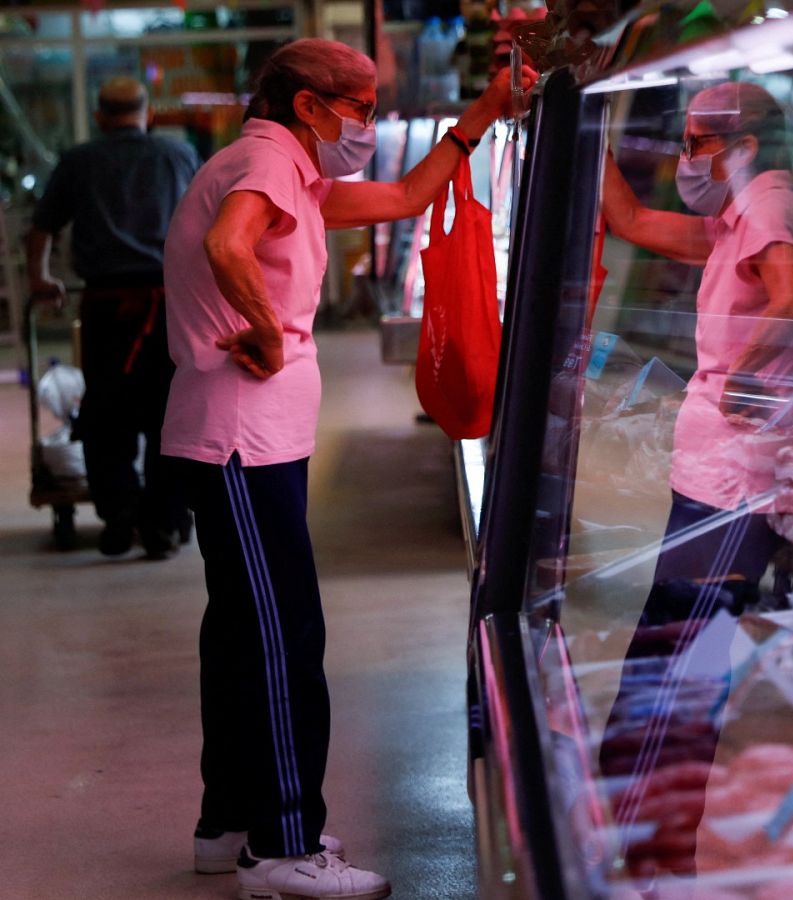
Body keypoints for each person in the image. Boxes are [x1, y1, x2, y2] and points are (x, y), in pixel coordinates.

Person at [159, 38, 531, 899]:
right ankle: (284, 846)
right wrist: (258, 327)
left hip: (247, 440)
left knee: (242, 632)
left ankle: (229, 824)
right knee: (286, 634)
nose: (365, 122)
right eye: (359, 107)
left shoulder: (289, 164)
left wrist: (476, 120)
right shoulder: (266, 160)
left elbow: (403, 194)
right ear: (308, 105)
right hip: (240, 439)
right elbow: (228, 245)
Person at [595, 81, 793, 876]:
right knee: (668, 652)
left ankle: (653, 850)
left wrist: (746, 369)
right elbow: (627, 222)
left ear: (744, 149)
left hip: (736, 484)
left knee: (681, 658)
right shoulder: (736, 222)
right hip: (718, 477)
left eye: (696, 143)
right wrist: (579, 119)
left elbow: (791, 296)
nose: (684, 158)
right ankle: (635, 824)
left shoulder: (765, 212)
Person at [26, 76, 200, 558]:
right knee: (171, 413)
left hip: (105, 307)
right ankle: (164, 521)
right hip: (171, 304)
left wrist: (41, 280)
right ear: (147, 114)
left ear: (101, 116)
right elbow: (214, 219)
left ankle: (120, 518)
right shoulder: (178, 156)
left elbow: (41, 229)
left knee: (106, 412)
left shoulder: (79, 161)